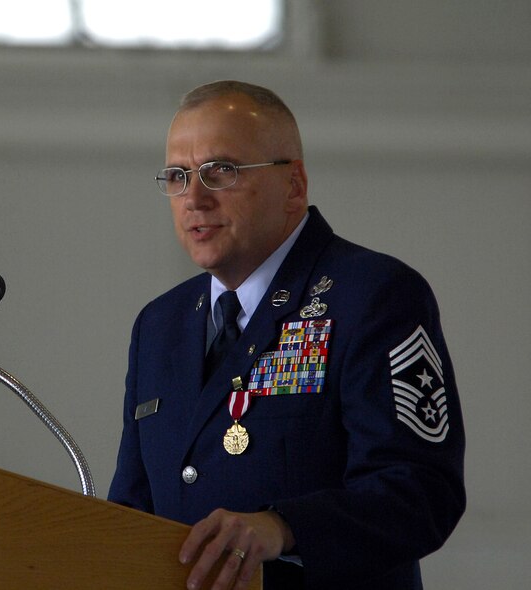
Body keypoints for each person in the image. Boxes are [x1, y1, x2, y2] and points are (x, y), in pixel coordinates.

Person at [107, 81, 465, 590]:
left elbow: (423, 491)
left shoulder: (371, 295)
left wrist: (282, 527)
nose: (194, 198)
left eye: (220, 171)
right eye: (178, 176)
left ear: (294, 185)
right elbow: (131, 511)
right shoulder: (160, 325)